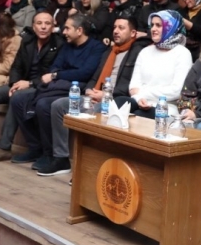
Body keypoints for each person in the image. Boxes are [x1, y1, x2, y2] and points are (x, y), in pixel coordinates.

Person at [43, 16, 151, 176]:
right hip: (95, 95)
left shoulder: (137, 53)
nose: (115, 31)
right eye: (114, 27)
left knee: (98, 110)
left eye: (121, 28)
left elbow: (129, 84)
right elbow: (95, 76)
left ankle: (89, 169)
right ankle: (61, 158)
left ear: (133, 32)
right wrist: (89, 90)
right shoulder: (109, 51)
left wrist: (106, 94)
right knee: (58, 106)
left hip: (115, 99)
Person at [11, 14, 104, 169]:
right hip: (57, 86)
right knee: (18, 99)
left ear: (79, 30)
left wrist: (58, 75)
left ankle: (50, 154)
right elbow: (55, 65)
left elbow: (85, 73)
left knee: (43, 104)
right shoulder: (68, 45)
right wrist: (57, 74)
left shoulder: (96, 47)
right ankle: (35, 147)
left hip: (75, 89)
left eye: (67, 28)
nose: (63, 32)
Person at [0, 12, 64, 161]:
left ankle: (4, 146)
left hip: (42, 88)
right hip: (22, 84)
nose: (43, 27)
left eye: (47, 24)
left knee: (18, 97)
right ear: (33, 26)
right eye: (39, 23)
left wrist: (29, 84)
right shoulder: (27, 41)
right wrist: (14, 84)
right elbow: (16, 67)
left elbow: (54, 74)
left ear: (53, 27)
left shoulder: (59, 45)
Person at [114, 10, 193, 118]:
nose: (153, 29)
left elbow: (176, 91)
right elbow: (133, 87)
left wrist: (143, 92)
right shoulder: (145, 52)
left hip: (166, 107)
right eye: (152, 25)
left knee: (138, 116)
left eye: (158, 25)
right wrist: (139, 98)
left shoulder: (183, 53)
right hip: (140, 101)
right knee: (117, 103)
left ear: (171, 27)